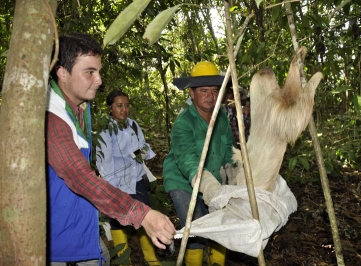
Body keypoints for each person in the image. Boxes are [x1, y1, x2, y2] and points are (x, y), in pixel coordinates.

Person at [46, 32, 175, 266]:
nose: (99, 80)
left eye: (99, 71)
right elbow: (78, 176)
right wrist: (142, 214)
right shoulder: (51, 117)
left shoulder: (80, 108)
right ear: (62, 73)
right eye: (89, 72)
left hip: (84, 232)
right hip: (59, 245)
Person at [163, 61, 235, 266]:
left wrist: (234, 173)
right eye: (204, 91)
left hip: (213, 180)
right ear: (192, 94)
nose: (210, 96)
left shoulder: (221, 115)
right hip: (184, 182)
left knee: (219, 231)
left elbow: (229, 149)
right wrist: (208, 185)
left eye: (214, 90)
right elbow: (188, 160)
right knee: (195, 231)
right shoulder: (184, 123)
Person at [96, 90, 161, 265]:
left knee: (144, 217)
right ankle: (125, 261)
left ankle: (151, 259)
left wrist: (139, 153)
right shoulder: (105, 132)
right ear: (110, 108)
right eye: (119, 106)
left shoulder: (133, 125)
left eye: (126, 105)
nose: (124, 110)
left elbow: (144, 147)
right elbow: (105, 163)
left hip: (137, 180)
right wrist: (112, 190)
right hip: (117, 185)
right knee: (119, 223)